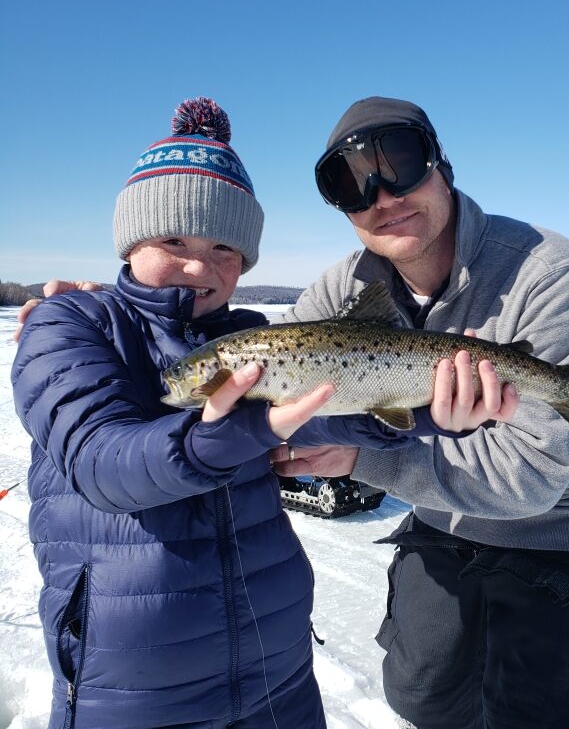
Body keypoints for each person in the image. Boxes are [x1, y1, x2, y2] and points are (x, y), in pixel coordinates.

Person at [11, 97, 495, 729]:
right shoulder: (70, 324)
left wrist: (429, 411)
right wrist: (234, 431)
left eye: (226, 249)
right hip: (133, 692)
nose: (199, 266)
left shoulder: (251, 335)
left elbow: (327, 414)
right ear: (129, 240)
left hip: (281, 675)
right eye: (173, 239)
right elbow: (104, 466)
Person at [272, 96, 569, 729]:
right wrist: (106, 312)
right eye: (349, 183)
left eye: (399, 163)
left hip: (568, 539)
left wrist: (362, 456)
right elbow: (263, 371)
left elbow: (531, 478)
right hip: (442, 529)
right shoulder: (341, 294)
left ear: (440, 165)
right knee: (420, 698)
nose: (383, 196)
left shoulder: (550, 273)